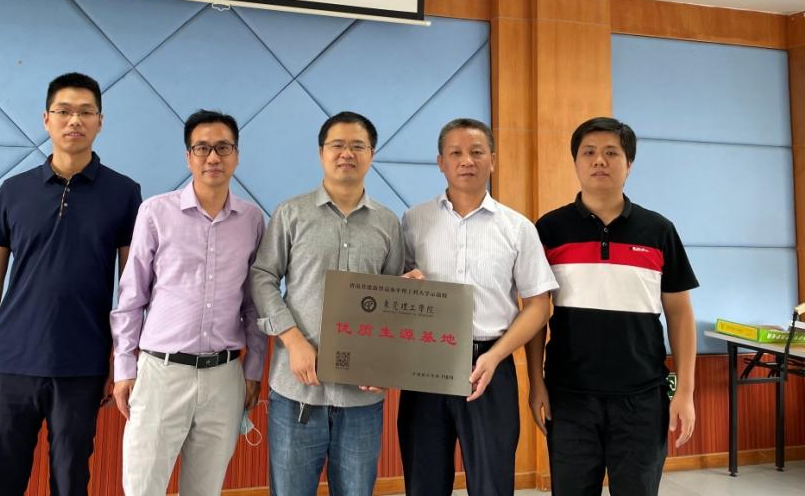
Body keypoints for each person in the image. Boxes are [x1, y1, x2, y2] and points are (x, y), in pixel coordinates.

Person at [0, 72, 141, 495]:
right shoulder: (14, 191)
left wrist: (123, 361)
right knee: (1, 483)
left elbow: (133, 285)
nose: (74, 120)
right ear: (46, 119)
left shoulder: (124, 193)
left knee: (70, 481)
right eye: (63, 111)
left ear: (100, 122)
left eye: (85, 112)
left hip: (82, 364)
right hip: (9, 361)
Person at [526, 117, 699, 496]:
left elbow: (680, 314)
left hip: (643, 398)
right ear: (576, 162)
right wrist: (536, 382)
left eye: (611, 153)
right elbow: (535, 314)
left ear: (629, 163)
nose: (599, 161)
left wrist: (685, 391)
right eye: (588, 152)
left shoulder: (658, 231)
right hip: (569, 397)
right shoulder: (550, 230)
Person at [398, 118, 557, 496]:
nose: (466, 160)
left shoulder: (518, 227)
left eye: (476, 152)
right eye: (455, 153)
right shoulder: (413, 220)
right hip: (425, 365)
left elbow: (539, 306)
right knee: (423, 483)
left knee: (492, 485)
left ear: (493, 160)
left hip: (491, 365)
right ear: (440, 162)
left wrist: (496, 355)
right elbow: (396, 289)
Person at [111, 110, 266, 496]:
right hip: (161, 373)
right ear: (188, 157)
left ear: (236, 155)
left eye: (223, 147)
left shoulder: (251, 219)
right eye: (202, 148)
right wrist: (124, 368)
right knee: (143, 488)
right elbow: (131, 297)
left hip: (224, 377)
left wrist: (253, 370)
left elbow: (254, 305)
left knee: (205, 490)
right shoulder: (156, 212)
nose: (213, 157)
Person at [250, 111, 404, 496]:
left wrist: (386, 364)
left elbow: (394, 304)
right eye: (337, 145)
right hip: (297, 393)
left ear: (371, 154)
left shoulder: (388, 223)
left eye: (357, 146)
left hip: (362, 398)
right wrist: (293, 341)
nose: (346, 153)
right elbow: (262, 277)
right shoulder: (291, 213)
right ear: (321, 153)